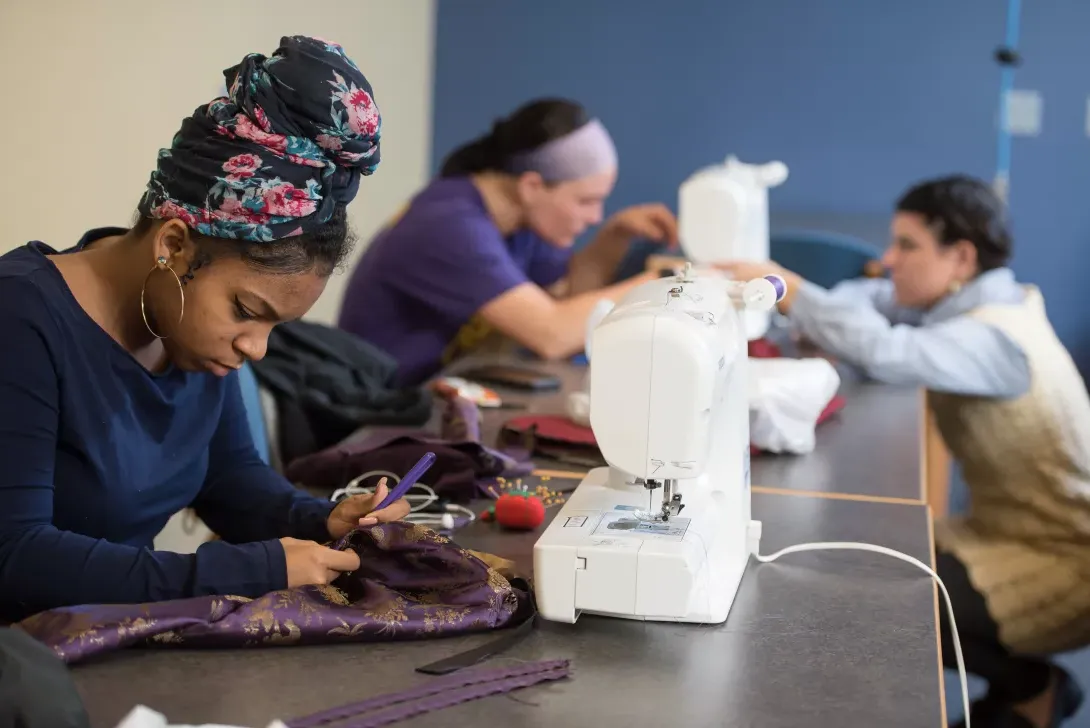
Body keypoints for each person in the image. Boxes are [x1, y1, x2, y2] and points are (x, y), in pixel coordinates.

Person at [0, 36, 412, 624]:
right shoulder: (19, 316)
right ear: (173, 244)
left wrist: (319, 520)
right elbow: (14, 554)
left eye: (276, 325)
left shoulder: (181, 333)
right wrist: (250, 568)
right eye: (246, 311)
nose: (256, 348)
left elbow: (228, 479)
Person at [722, 175, 1089, 728]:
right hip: (1004, 536)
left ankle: (1031, 686)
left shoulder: (993, 339)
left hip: (1059, 565)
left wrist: (790, 289)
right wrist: (822, 310)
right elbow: (870, 301)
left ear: (960, 257)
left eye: (908, 246)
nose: (889, 260)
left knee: (863, 604)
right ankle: (1025, 688)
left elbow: (890, 352)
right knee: (855, 567)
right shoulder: (979, 305)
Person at [337, 98, 679, 386]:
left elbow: (569, 298)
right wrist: (670, 282)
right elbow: (552, 334)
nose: (595, 216)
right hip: (370, 415)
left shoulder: (521, 220)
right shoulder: (450, 225)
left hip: (431, 398)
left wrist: (613, 239)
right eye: (585, 201)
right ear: (532, 186)